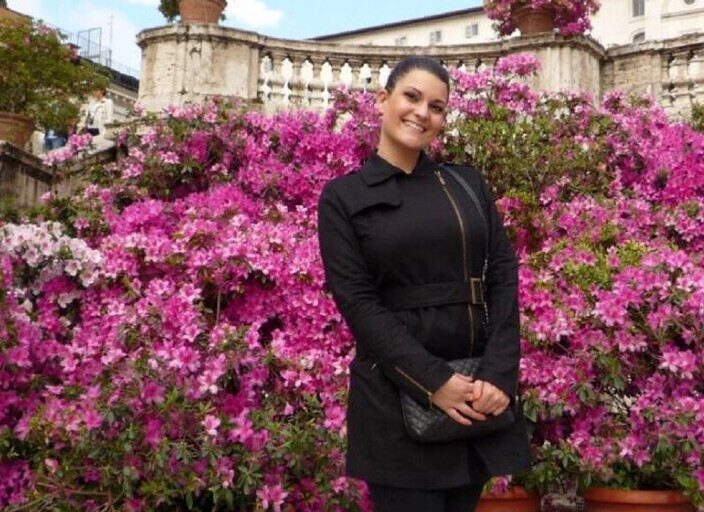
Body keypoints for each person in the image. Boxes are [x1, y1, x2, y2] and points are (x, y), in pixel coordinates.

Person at [317, 56, 531, 512]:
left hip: (475, 395)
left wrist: (498, 374)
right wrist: (433, 381)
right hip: (395, 398)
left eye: (436, 106)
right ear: (383, 100)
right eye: (411, 97)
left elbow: (502, 273)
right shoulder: (343, 197)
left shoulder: (465, 183)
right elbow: (357, 302)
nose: (422, 113)